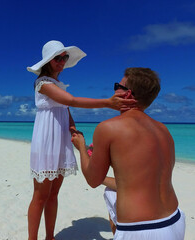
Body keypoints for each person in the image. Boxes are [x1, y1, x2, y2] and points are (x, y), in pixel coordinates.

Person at [26, 40, 137, 240]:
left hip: (60, 141)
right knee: (40, 195)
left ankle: (49, 237)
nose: (61, 61)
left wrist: (74, 132)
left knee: (53, 195)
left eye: (64, 57)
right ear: (48, 61)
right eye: (57, 58)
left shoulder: (59, 84)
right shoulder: (42, 83)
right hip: (45, 142)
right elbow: (70, 101)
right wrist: (107, 103)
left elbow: (66, 110)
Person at [71, 67, 186, 239]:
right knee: (111, 193)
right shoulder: (163, 130)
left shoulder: (108, 127)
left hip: (140, 229)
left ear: (127, 94)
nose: (114, 88)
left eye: (118, 85)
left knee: (110, 195)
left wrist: (81, 147)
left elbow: (92, 180)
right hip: (175, 220)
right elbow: (141, 181)